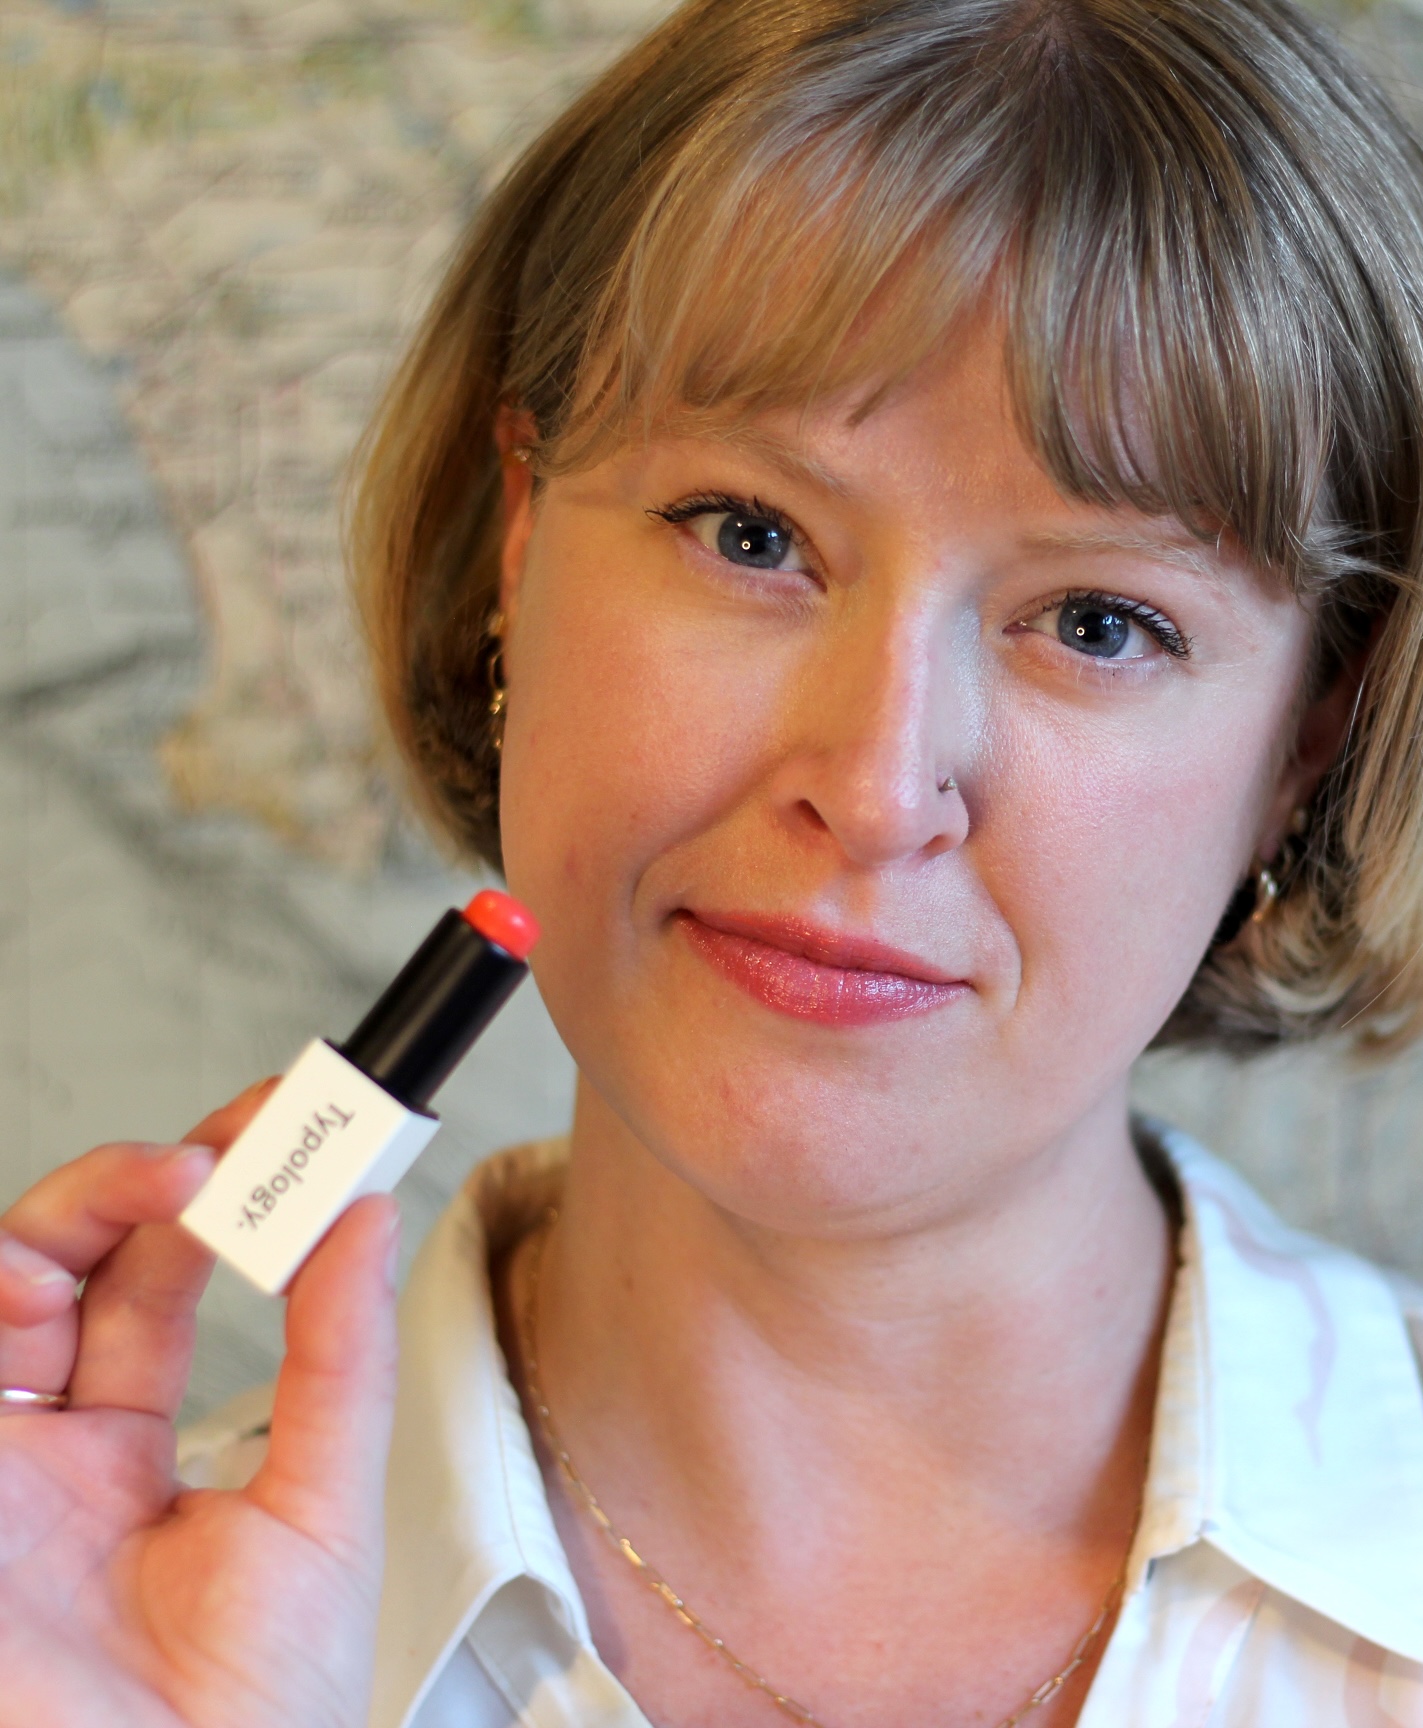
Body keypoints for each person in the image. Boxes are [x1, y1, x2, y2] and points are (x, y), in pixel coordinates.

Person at [4, 0, 1423, 1721]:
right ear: (521, 540)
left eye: (1103, 621)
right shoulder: (101, 1633)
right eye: (752, 535)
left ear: (1309, 747)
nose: (882, 786)